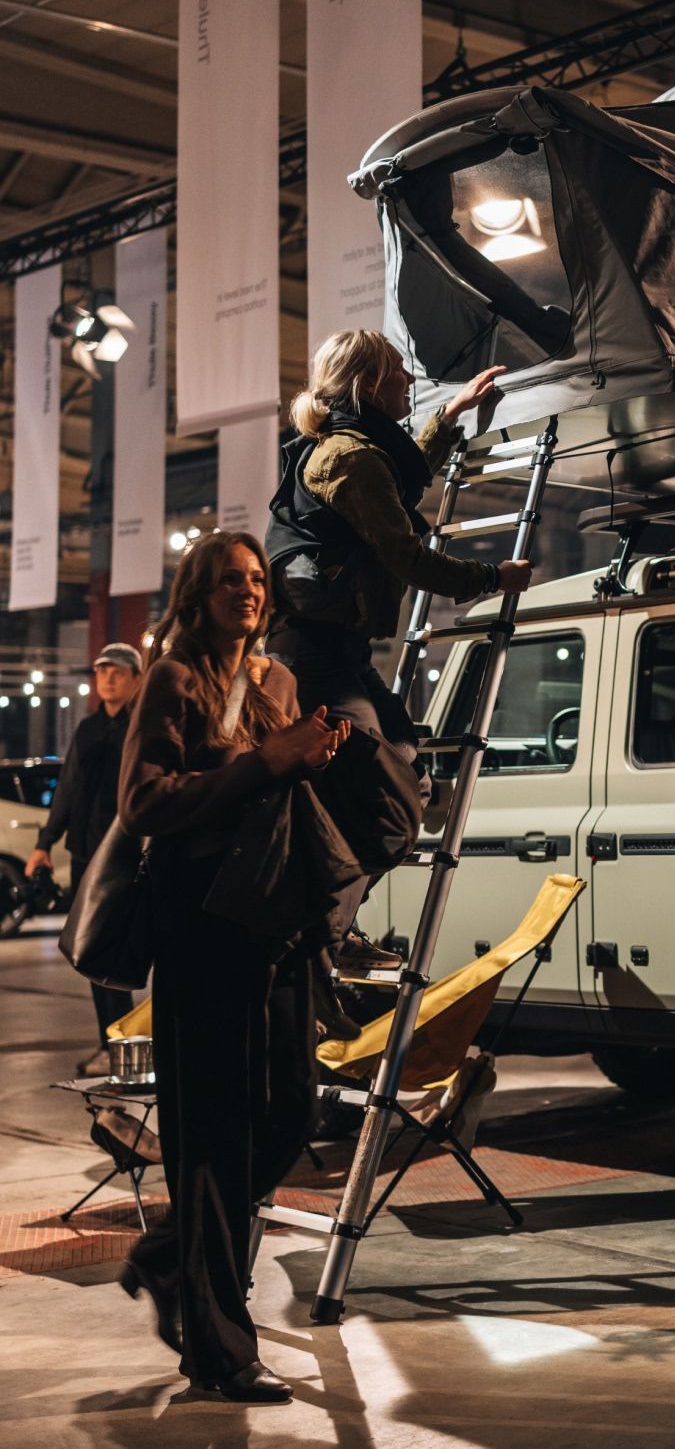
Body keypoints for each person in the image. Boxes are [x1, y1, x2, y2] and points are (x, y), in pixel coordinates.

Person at [118, 531, 348, 1404]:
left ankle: (166, 1253)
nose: (247, 592)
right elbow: (142, 804)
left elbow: (276, 792)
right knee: (212, 1139)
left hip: (276, 924)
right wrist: (263, 762)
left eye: (255, 579)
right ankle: (219, 1352)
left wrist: (310, 760)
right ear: (198, 592)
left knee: (292, 1111)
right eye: (228, 581)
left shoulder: (277, 680)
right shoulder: (175, 680)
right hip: (202, 929)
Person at [265, 329, 532, 959]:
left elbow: (397, 483)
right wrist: (491, 578)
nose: (410, 382)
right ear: (367, 385)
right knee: (382, 789)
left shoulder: (353, 450)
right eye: (398, 373)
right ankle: (325, 936)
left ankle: (333, 925)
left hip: (339, 652)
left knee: (406, 768)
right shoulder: (349, 458)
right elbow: (406, 554)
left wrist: (449, 416)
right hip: (315, 655)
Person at [26, 641, 144, 1076]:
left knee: (123, 953)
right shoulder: (89, 729)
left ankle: (129, 1047)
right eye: (102, 671)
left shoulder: (142, 727)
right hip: (85, 854)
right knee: (91, 950)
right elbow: (69, 788)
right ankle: (109, 1045)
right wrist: (44, 843)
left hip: (128, 856)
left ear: (136, 679)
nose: (108, 678)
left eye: (118, 671)